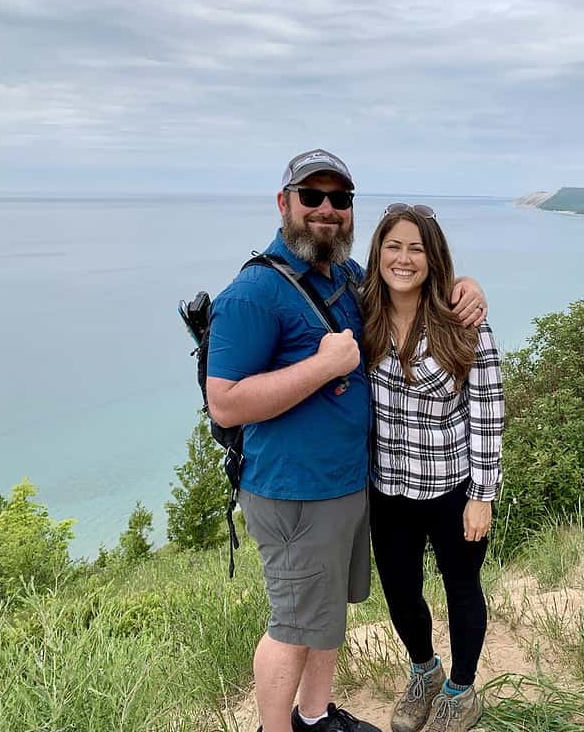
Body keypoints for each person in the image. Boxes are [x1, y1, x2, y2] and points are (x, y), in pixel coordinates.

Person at [205, 151, 486, 732]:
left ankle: (315, 716)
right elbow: (225, 402)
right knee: (294, 622)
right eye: (312, 197)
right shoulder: (255, 292)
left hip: (350, 486)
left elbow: (412, 285)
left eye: (340, 199)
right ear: (284, 204)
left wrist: (465, 284)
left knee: (325, 615)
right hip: (295, 491)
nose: (327, 210)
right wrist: (321, 366)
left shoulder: (346, 279)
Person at [361, 204, 504, 732]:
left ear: (433, 256)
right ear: (377, 253)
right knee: (400, 592)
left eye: (416, 248)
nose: (403, 258)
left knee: (462, 588)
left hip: (452, 488)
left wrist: (482, 494)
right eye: (393, 246)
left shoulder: (462, 322)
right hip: (388, 490)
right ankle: (424, 670)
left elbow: (487, 407)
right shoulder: (362, 316)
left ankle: (461, 691)